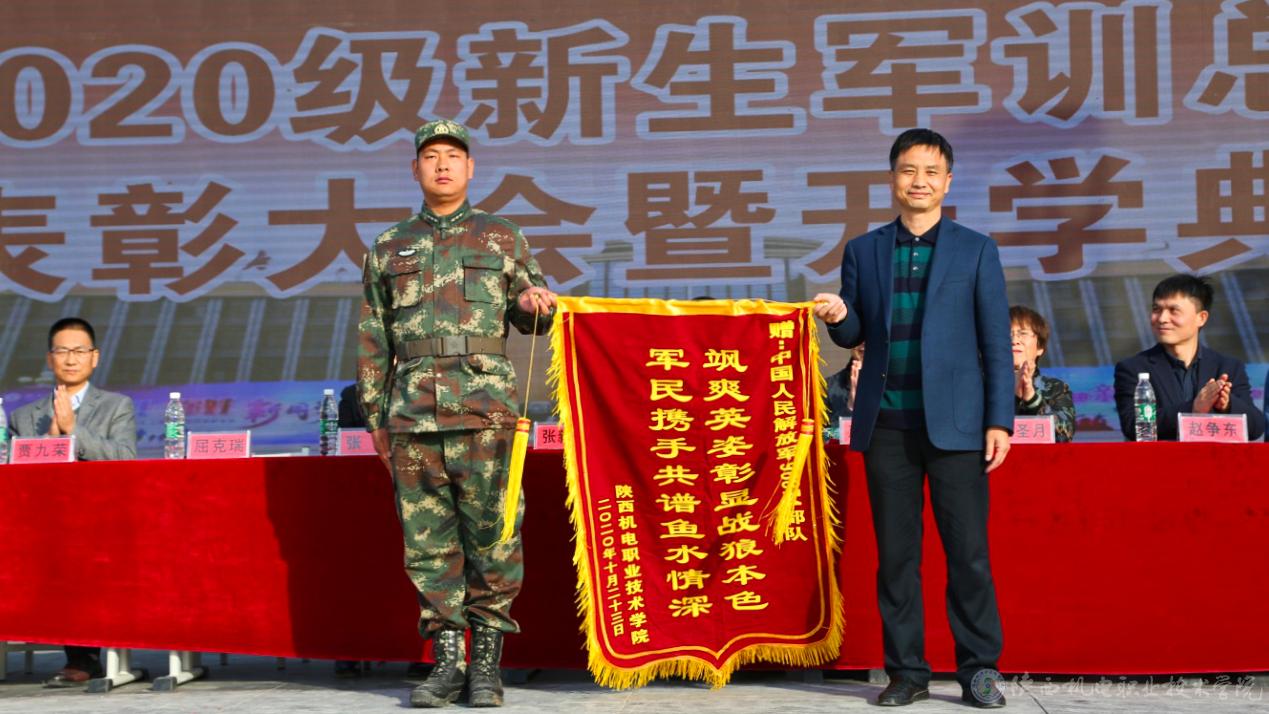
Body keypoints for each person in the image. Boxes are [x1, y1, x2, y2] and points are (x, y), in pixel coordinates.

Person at [357, 118, 557, 709]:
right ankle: (448, 666)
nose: (442, 164)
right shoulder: (389, 246)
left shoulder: (503, 237)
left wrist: (534, 302)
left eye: (452, 156)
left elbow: (534, 314)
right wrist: (375, 418)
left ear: (470, 168)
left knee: (495, 540)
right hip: (413, 415)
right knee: (429, 547)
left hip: (487, 413)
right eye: (431, 156)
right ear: (415, 169)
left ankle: (487, 668)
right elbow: (373, 336)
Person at [824, 128, 1012, 708]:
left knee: (968, 555)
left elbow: (994, 342)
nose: (919, 181)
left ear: (948, 182)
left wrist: (999, 420)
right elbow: (854, 333)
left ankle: (979, 670)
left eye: (931, 172)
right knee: (897, 558)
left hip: (957, 426)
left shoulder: (976, 249)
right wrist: (839, 315)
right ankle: (907, 672)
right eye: (908, 170)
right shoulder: (864, 250)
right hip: (888, 424)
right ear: (892, 180)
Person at [6, 317, 137, 687]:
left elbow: (125, 456)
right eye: (62, 351)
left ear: (94, 357)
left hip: (99, 519)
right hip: (40, 520)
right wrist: (50, 440)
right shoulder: (24, 416)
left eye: (79, 350)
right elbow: (12, 468)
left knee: (81, 558)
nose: (70, 358)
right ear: (50, 358)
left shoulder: (117, 406)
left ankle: (84, 659)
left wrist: (73, 431)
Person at [1113, 274, 1265, 442]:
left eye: (1174, 311)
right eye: (1156, 309)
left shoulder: (1227, 367)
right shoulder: (1133, 368)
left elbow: (1256, 428)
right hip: (1160, 459)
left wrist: (1227, 405)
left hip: (1213, 459)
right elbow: (1132, 426)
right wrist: (1193, 408)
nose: (1162, 319)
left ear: (1201, 318)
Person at [1009, 306, 1075, 442]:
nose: (1014, 340)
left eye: (1023, 333)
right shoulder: (976, 386)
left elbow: (1064, 436)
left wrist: (1032, 399)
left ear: (1040, 347)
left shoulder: (1056, 388)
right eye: (1006, 333)